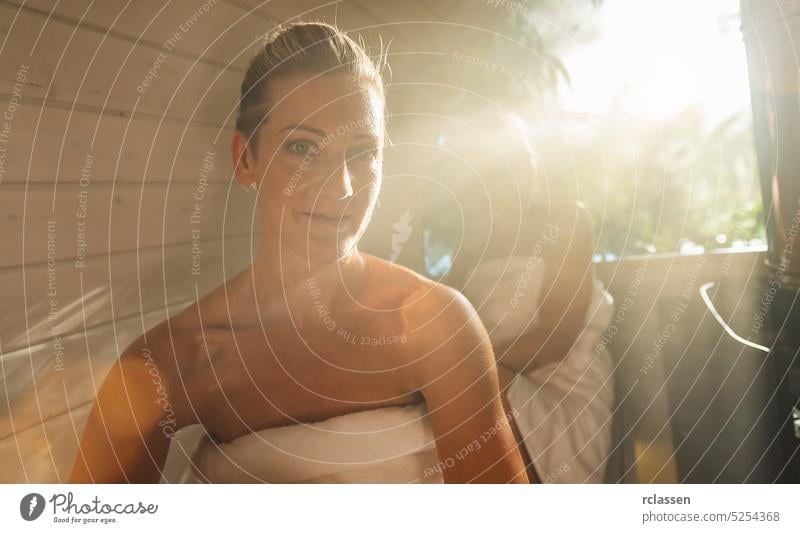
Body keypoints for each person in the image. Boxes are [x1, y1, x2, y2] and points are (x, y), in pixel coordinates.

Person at [69, 22, 527, 484]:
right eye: (303, 147)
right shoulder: (174, 360)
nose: (342, 187)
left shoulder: (435, 325)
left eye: (363, 151)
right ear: (246, 160)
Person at [435, 112, 616, 483]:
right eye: (500, 166)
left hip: (560, 380)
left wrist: (466, 370)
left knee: (460, 395)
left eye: (524, 159)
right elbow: (442, 318)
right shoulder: (470, 244)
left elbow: (558, 338)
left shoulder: (566, 221)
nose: (515, 174)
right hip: (484, 377)